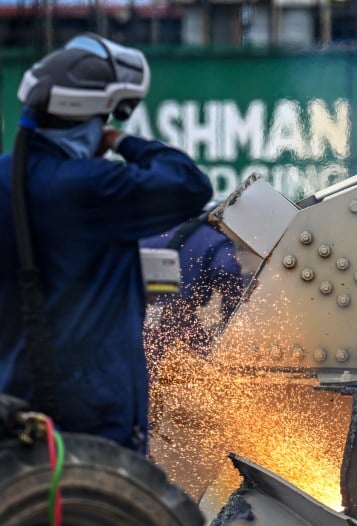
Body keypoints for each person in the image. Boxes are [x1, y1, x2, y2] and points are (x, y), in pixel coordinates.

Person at [0, 34, 213, 454]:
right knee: (103, 496)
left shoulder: (7, 178)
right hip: (91, 407)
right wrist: (120, 141)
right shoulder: (88, 185)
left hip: (15, 397)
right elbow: (189, 183)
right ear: (88, 119)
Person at [141, 207, 245, 361]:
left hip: (142, 310)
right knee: (202, 360)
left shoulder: (149, 230)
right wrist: (229, 313)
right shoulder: (212, 240)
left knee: (145, 354)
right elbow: (227, 270)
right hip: (179, 312)